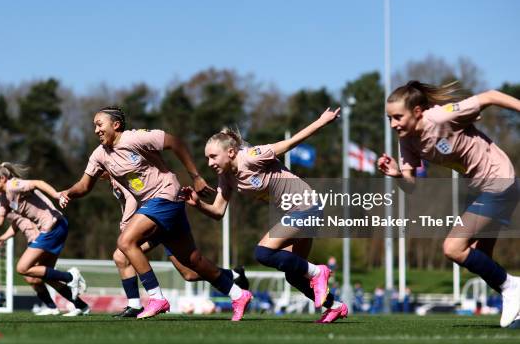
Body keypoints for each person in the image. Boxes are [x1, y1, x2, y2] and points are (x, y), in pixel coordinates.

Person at [59, 107, 251, 320]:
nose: (96, 130)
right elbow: (84, 186)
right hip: (159, 205)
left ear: (116, 125)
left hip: (166, 195)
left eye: (99, 124)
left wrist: (195, 176)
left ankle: (156, 297)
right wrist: (68, 193)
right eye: (94, 125)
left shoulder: (136, 138)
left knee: (125, 242)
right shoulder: (99, 155)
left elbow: (175, 143)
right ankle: (238, 293)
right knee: (193, 263)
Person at [182, 107, 350, 323]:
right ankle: (335, 306)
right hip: (296, 212)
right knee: (294, 274)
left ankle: (318, 272)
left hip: (308, 206)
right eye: (207, 158)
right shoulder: (227, 177)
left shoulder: (251, 157)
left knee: (263, 253)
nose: (210, 163)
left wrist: (321, 121)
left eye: (213, 156)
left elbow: (289, 144)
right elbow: (217, 212)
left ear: (231, 152)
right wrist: (197, 204)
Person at [377, 81, 520, 327]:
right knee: (481, 258)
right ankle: (513, 295)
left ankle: (513, 287)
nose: (393, 124)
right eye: (389, 119)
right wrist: (397, 174)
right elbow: (411, 186)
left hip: (499, 180)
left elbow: (490, 96)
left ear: (418, 112)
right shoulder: (407, 140)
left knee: (453, 248)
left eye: (398, 117)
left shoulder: (441, 117)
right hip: (479, 188)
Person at [108, 176, 249, 317]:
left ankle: (137, 304)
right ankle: (234, 275)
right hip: (159, 217)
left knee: (122, 253)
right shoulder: (115, 174)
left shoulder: (123, 171)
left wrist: (126, 227)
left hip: (158, 219)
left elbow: (132, 201)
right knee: (189, 274)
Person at [0, 162, 89, 316]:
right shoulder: (4, 199)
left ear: (2, 178)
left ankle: (71, 276)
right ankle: (81, 306)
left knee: (22, 268)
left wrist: (57, 195)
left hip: (53, 226)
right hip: (55, 228)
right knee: (46, 276)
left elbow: (37, 183)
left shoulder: (13, 185)